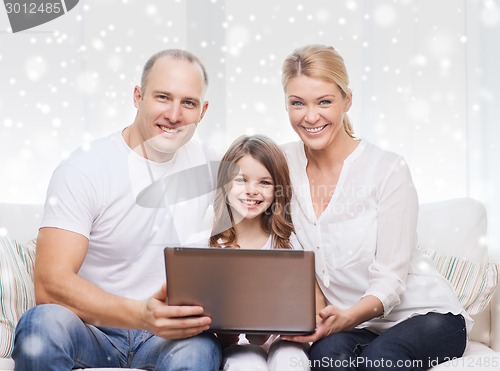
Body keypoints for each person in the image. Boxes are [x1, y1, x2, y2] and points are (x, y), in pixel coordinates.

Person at [12, 49, 222, 370]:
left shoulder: (212, 169)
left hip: (168, 337)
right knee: (41, 323)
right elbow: (49, 284)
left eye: (188, 103)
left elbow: (252, 239)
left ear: (203, 111)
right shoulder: (84, 168)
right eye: (163, 97)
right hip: (92, 328)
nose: (175, 114)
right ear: (138, 96)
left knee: (199, 350)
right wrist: (141, 315)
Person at [279, 44, 472, 371]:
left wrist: (347, 317)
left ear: (347, 101)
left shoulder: (387, 169)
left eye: (324, 101)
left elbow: (390, 278)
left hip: (425, 315)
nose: (311, 116)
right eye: (298, 103)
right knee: (327, 359)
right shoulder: (281, 165)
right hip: (354, 324)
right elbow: (287, 251)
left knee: (380, 361)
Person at [209, 135, 322, 371]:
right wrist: (224, 335)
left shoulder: (290, 242)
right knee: (247, 363)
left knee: (290, 360)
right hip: (236, 346)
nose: (252, 191)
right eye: (241, 180)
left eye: (264, 183)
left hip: (284, 341)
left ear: (277, 190)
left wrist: (283, 327)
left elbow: (316, 309)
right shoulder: (210, 245)